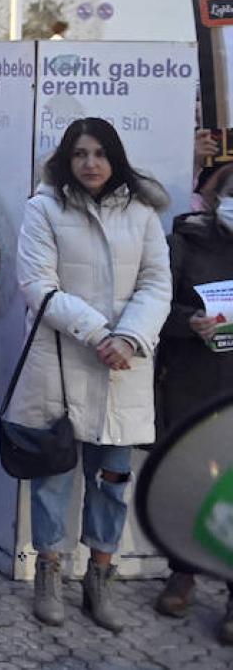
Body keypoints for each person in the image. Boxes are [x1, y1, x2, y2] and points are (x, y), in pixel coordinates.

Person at [11, 118, 171, 633]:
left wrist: (128, 337)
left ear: (114, 157)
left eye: (100, 153)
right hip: (63, 360)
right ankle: (50, 570)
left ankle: (100, 576)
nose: (90, 163)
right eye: (80, 153)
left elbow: (156, 283)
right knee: (53, 477)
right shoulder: (45, 208)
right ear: (67, 158)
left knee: (111, 480)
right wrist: (98, 332)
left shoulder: (142, 211)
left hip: (124, 367)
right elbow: (37, 283)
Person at [154, 162, 233, 641]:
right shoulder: (187, 240)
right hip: (194, 382)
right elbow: (157, 303)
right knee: (191, 484)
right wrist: (191, 322)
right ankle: (182, 572)